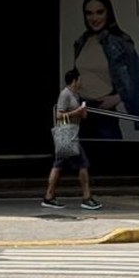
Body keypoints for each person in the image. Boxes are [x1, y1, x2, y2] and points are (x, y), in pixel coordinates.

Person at [72, 0, 139, 139]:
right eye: (89, 13)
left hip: (104, 112)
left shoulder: (120, 41)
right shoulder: (82, 41)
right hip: (82, 110)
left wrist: (116, 98)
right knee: (83, 160)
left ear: (108, 12)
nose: (94, 18)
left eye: (99, 12)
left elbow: (136, 76)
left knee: (109, 158)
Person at [41, 69, 102, 211]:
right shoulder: (65, 94)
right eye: (80, 79)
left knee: (58, 165)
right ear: (74, 81)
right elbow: (58, 115)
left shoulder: (76, 94)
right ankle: (86, 197)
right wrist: (77, 112)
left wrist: (82, 111)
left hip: (73, 134)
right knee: (82, 164)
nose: (81, 82)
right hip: (67, 135)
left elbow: (82, 115)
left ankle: (49, 196)